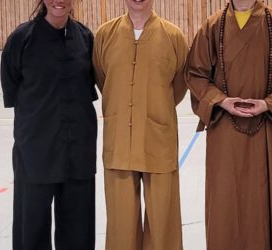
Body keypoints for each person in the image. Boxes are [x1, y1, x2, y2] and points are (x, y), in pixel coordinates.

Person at [184, 0, 272, 249]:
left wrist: (269, 104)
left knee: (265, 202)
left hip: (267, 128)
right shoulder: (212, 27)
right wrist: (221, 101)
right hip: (225, 131)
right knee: (226, 201)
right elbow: (195, 73)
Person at [0, 0, 98, 249]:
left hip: (78, 153)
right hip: (35, 154)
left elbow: (89, 88)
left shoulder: (85, 38)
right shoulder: (21, 39)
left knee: (79, 231)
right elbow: (11, 90)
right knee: (30, 230)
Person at [92, 0, 188, 249]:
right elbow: (103, 79)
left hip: (159, 140)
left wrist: (153, 107)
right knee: (120, 224)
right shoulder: (105, 35)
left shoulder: (173, 36)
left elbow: (178, 86)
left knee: (163, 223)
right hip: (119, 142)